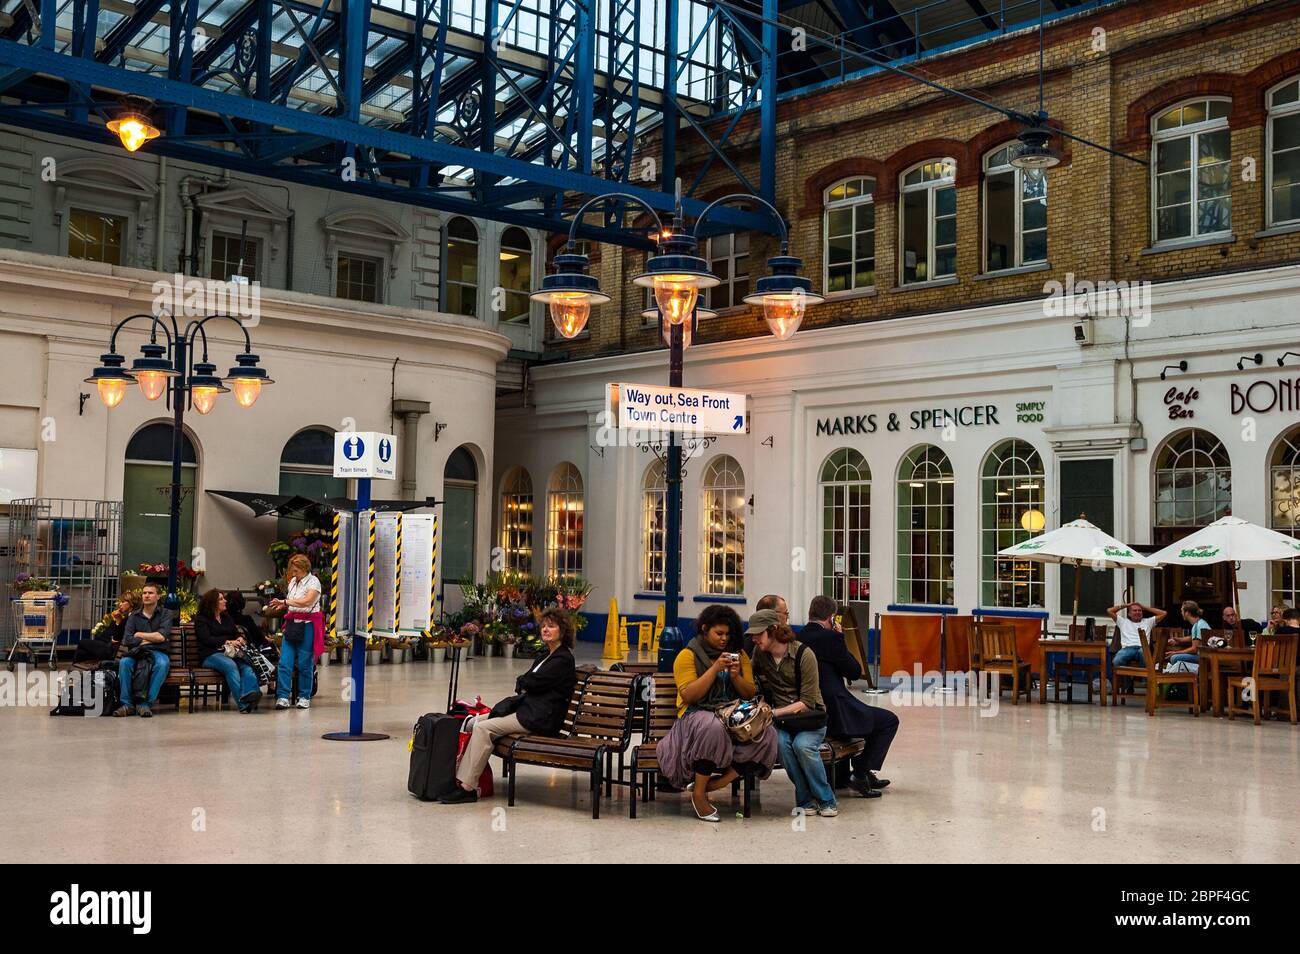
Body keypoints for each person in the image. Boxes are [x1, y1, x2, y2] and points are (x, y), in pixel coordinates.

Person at [655, 604, 778, 822]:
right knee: (713, 727)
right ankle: (700, 793)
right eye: (718, 633)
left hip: (732, 715)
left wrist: (735, 676)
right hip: (695, 715)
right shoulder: (687, 655)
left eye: (728, 634)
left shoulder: (739, 655)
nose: (724, 639)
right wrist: (713, 670)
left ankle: (717, 783)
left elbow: (749, 693)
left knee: (766, 734)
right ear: (704, 629)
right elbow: (689, 695)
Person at [441, 609, 578, 804]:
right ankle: (454, 775)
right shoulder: (545, 657)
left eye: (551, 626)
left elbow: (532, 682)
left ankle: (467, 787)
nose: (545, 629)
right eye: (544, 626)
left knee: (483, 728)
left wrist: (525, 682)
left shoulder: (563, 659)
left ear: (563, 632)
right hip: (527, 711)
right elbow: (528, 682)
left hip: (538, 718)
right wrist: (526, 682)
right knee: (470, 722)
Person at [798, 595, 897, 798]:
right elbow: (853, 671)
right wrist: (840, 638)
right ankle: (860, 773)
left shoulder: (798, 637)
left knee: (870, 717)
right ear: (832, 618)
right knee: (888, 721)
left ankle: (862, 771)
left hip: (810, 708)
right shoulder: (831, 638)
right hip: (835, 710)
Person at [751, 614, 837, 818]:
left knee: (802, 746)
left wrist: (771, 712)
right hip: (783, 722)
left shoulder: (804, 654)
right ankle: (805, 800)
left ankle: (826, 799)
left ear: (772, 631)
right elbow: (750, 678)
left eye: (758, 634)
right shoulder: (760, 654)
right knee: (781, 745)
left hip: (810, 719)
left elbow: (807, 703)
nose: (754, 639)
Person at [194, 589, 264, 713]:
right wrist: (228, 641)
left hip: (231, 653)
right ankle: (243, 704)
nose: (225, 601)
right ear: (212, 602)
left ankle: (251, 695)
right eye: (221, 599)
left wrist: (239, 638)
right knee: (230, 666)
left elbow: (235, 633)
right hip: (211, 654)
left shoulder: (226, 618)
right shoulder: (201, 619)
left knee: (246, 666)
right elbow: (206, 639)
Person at [267, 554, 322, 710]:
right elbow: (294, 602)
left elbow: (307, 602)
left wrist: (285, 602)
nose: (293, 574)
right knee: (285, 662)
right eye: (292, 570)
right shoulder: (292, 582)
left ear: (305, 569)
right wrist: (283, 606)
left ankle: (304, 696)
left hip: (307, 624)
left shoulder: (314, 582)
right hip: (292, 624)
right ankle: (283, 696)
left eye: (296, 570)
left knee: (305, 662)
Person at [114, 583, 172, 718]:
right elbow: (127, 640)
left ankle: (145, 703)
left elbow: (162, 636)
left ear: (158, 596)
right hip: (137, 652)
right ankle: (127, 704)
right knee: (125, 663)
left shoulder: (166, 614)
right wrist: (151, 638)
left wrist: (139, 634)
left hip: (158, 651)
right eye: (144, 593)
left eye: (150, 593)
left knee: (163, 664)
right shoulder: (134, 616)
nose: (146, 595)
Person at [75, 593, 136, 663]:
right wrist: (116, 620)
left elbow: (116, 638)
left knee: (82, 642)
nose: (120, 604)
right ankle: (76, 672)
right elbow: (110, 633)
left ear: (131, 603)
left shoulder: (131, 618)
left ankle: (73, 672)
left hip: (112, 651)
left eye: (123, 602)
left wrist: (118, 621)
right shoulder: (124, 616)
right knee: (82, 653)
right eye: (120, 602)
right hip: (109, 646)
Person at [1106, 601, 1167, 668]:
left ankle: (1144, 678)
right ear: (1129, 613)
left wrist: (1144, 607)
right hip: (1127, 649)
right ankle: (1127, 678)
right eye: (1134, 610)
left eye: (1139, 610)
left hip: (1143, 648)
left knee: (1143, 653)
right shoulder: (1123, 622)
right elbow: (1109, 611)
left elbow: (1164, 613)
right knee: (1116, 661)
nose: (1137, 612)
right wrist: (1126, 605)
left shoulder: (1148, 622)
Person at [1167, 600, 1208, 671]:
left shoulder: (1196, 626)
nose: (1181, 613)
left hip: (1203, 657)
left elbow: (1194, 649)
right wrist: (1179, 640)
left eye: (1182, 611)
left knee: (1174, 658)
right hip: (1207, 655)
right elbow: (1193, 637)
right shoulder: (1202, 622)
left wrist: (1175, 652)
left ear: (1187, 613)